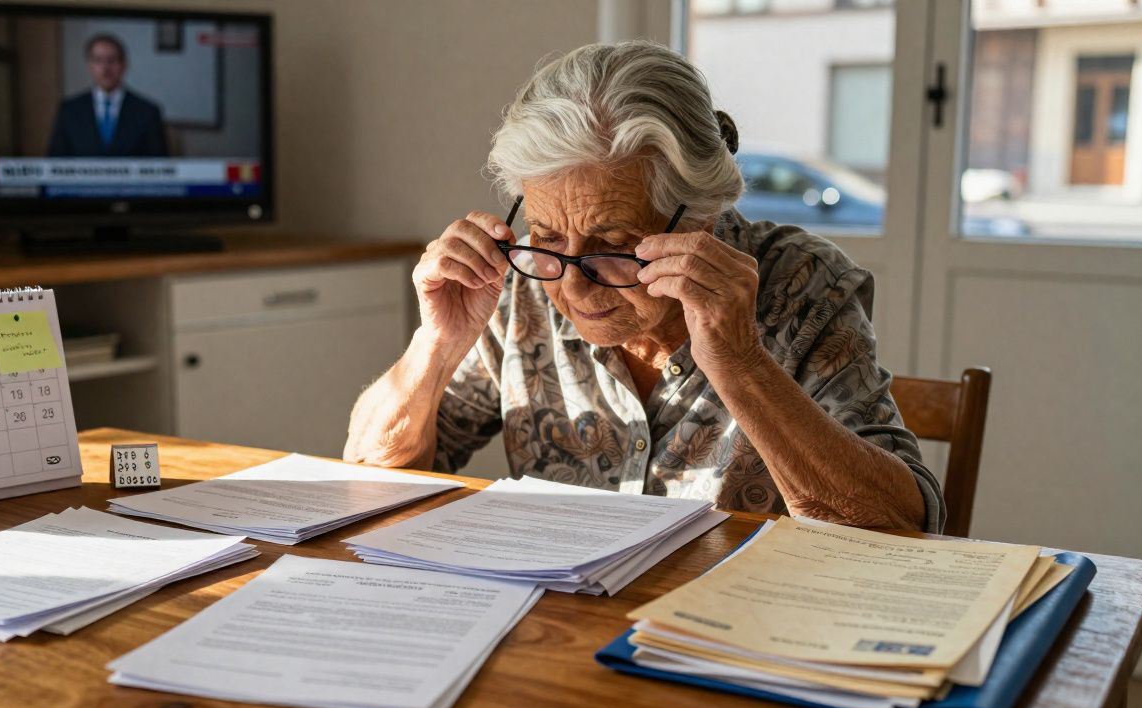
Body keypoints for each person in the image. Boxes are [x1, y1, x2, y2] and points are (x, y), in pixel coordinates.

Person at [344, 41, 943, 532]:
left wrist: (739, 362)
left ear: (701, 218)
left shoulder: (802, 285)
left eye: (613, 244)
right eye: (549, 234)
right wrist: (437, 343)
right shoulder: (521, 276)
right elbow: (369, 480)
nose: (574, 287)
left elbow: (902, 530)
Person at [46, 33, 169, 157]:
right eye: (98, 60)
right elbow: (54, 162)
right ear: (89, 66)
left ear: (124, 65)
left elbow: (160, 166)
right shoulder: (69, 110)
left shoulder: (147, 112)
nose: (105, 68)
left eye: (112, 60)